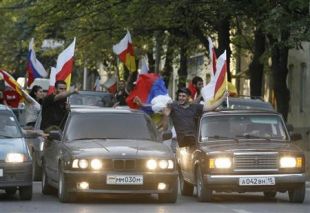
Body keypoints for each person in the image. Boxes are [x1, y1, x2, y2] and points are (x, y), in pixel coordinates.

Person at [162, 87, 228, 146]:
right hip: (178, 143)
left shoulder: (195, 107)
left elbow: (211, 107)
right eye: (180, 96)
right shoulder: (173, 106)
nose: (181, 98)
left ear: (188, 97)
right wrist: (165, 116)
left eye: (183, 96)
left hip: (193, 142)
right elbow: (165, 128)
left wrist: (223, 98)